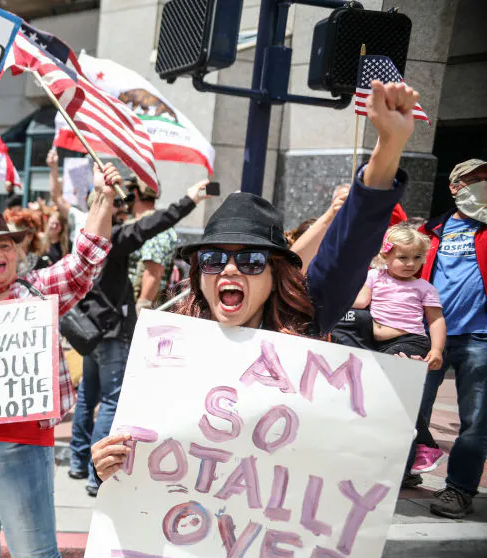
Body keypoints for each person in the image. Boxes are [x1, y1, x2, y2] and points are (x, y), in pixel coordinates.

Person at [90, 80, 418, 486]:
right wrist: (107, 464)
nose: (229, 269)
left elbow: (348, 249)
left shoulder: (305, 324)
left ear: (275, 273)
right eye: (212, 259)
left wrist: (389, 145)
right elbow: (138, 447)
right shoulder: (169, 347)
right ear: (199, 275)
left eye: (249, 259)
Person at [0, 163, 120, 558]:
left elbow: (85, 259)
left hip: (21, 444)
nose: (0, 254)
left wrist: (103, 198)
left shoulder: (34, 290)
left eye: (5, 246)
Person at [68, 179, 209, 496]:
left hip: (88, 330)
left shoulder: (81, 242)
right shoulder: (112, 240)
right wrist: (188, 199)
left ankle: (78, 462)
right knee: (110, 401)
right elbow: (153, 224)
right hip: (112, 330)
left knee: (87, 395)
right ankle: (95, 475)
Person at [413, 158, 487, 519]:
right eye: (475, 180)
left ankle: (458, 490)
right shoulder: (431, 231)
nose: (483, 185)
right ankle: (403, 469)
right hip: (431, 338)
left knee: (476, 422)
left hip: (481, 339)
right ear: (455, 187)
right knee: (410, 410)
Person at [351, 224, 445, 360]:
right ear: (385, 256)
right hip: (375, 342)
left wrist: (437, 350)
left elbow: (436, 319)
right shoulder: (374, 276)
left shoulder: (425, 287)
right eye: (403, 257)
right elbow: (360, 302)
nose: (411, 263)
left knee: (385, 368)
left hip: (410, 340)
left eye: (417, 257)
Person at [124, 176, 179, 312]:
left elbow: (154, 271)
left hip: (139, 306)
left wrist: (142, 308)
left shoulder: (155, 225)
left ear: (135, 193)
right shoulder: (141, 224)